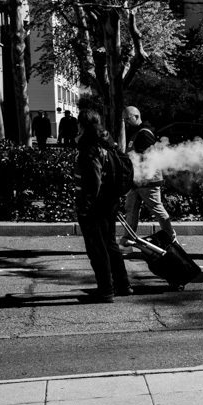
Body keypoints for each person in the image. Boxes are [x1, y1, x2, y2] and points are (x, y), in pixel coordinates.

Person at [74, 108, 131, 302]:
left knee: (97, 248)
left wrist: (85, 206)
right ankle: (122, 284)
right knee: (109, 243)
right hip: (111, 201)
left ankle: (106, 290)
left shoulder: (89, 147)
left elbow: (93, 180)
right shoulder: (107, 142)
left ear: (83, 124)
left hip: (96, 205)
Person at [121, 106, 176, 248]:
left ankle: (170, 236)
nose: (126, 122)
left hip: (147, 179)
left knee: (155, 208)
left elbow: (146, 158)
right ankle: (127, 239)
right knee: (131, 208)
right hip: (139, 179)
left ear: (137, 116)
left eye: (128, 118)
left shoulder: (144, 133)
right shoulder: (139, 132)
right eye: (125, 119)